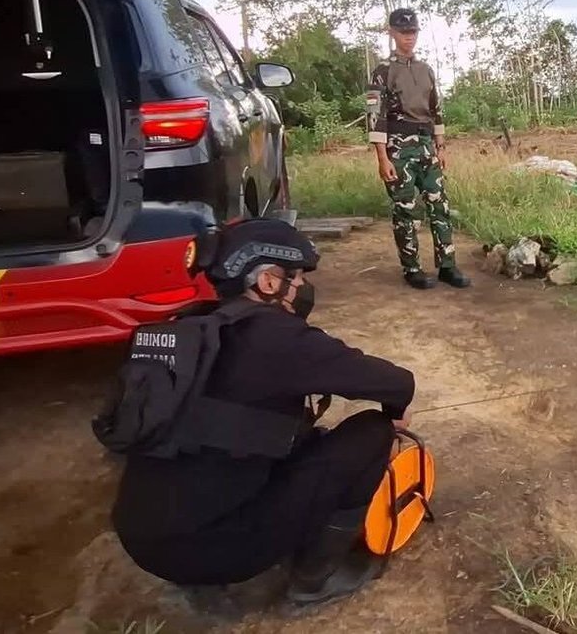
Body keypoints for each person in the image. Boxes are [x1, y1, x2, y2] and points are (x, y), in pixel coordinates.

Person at [106, 218, 417, 612]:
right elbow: (397, 383)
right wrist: (393, 414)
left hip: (143, 539)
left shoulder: (187, 329)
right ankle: (314, 580)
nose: (302, 286)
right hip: (212, 550)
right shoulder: (277, 337)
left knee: (280, 438)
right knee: (371, 432)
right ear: (268, 282)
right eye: (297, 277)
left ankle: (201, 571)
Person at [368, 8, 470, 290]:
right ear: (391, 33)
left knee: (440, 206)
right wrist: (382, 158)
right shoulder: (382, 71)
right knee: (405, 210)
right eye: (403, 32)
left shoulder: (426, 70)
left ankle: (447, 266)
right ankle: (412, 268)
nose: (408, 37)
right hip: (398, 149)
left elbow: (436, 110)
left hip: (427, 146)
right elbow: (375, 116)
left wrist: (441, 146)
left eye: (412, 32)